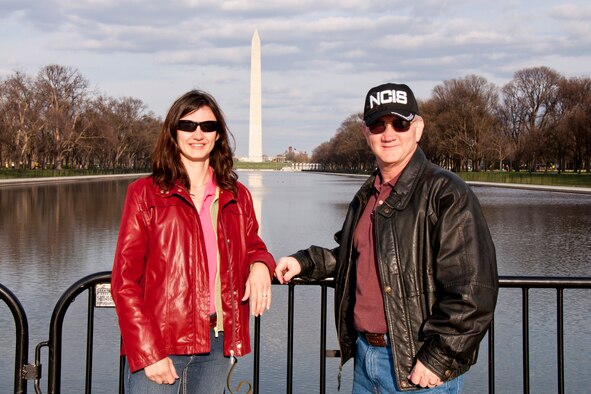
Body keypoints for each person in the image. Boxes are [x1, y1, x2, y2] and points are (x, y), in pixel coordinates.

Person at [275, 83, 498, 393]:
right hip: (367, 359)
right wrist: (304, 262)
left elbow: (474, 288)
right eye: (378, 124)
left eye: (400, 123)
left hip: (416, 363)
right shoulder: (369, 193)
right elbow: (358, 255)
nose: (388, 133)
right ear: (366, 134)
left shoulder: (446, 192)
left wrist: (438, 357)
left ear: (417, 129)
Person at [111, 89, 276, 393]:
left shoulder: (237, 196)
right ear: (173, 133)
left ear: (218, 136)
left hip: (216, 343)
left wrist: (261, 265)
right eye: (188, 126)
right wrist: (148, 351)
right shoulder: (145, 194)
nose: (197, 134)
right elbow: (124, 282)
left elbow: (252, 244)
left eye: (208, 126)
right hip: (161, 343)